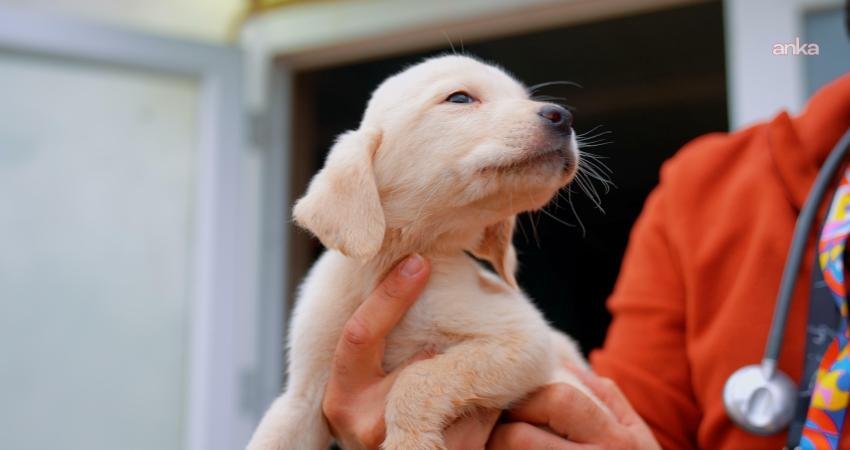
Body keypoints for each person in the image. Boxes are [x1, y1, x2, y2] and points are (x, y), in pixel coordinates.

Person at [321, 7, 850, 449]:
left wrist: (424, 403)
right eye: (462, 101)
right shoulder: (706, 187)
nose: (555, 116)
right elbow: (627, 418)